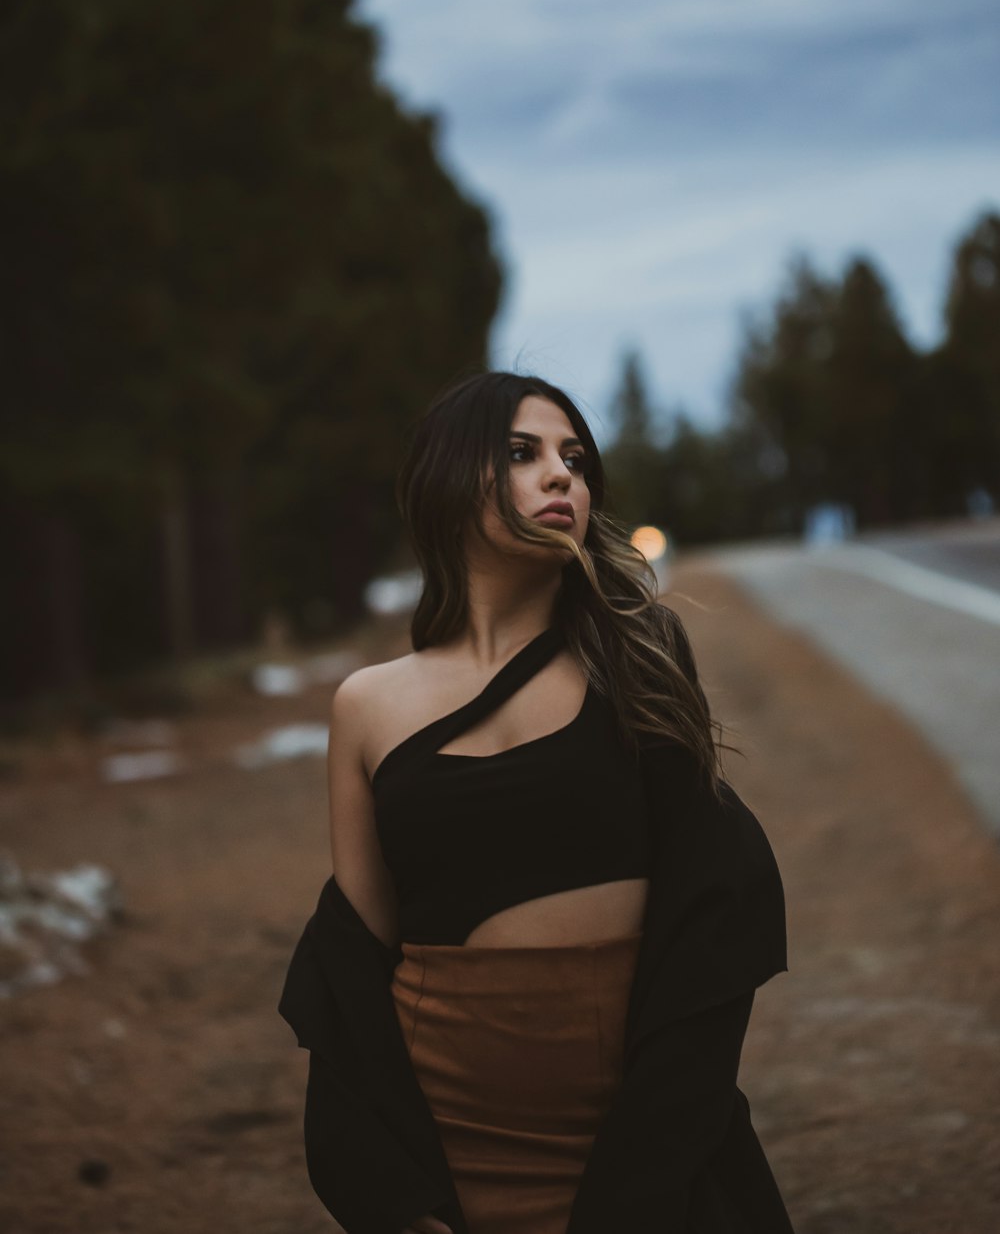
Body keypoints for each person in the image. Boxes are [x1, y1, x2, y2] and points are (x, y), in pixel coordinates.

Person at [278, 368, 795, 1234]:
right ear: (448, 479)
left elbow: (711, 918)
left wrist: (640, 1180)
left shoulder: (637, 660)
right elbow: (353, 972)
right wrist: (392, 1197)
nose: (563, 476)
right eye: (523, 454)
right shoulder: (367, 704)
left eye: (575, 458)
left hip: (638, 1138)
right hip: (452, 1143)